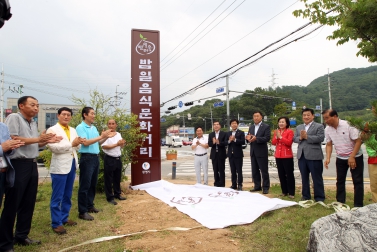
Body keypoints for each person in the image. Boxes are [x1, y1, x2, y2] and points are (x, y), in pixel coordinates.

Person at [0, 96, 61, 251]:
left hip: (31, 164)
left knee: (28, 202)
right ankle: (5, 242)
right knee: (13, 203)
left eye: (38, 105)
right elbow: (14, 138)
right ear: (21, 105)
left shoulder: (33, 122)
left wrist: (47, 140)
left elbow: (36, 143)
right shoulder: (14, 117)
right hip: (18, 164)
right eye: (32, 105)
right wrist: (37, 139)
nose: (36, 108)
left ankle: (21, 235)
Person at [47, 107, 84, 235]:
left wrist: (78, 142)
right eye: (63, 114)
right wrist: (72, 144)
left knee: (68, 194)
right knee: (57, 196)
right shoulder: (52, 130)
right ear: (58, 116)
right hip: (60, 167)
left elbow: (77, 147)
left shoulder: (72, 130)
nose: (66, 117)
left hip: (72, 164)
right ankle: (56, 223)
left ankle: (64, 217)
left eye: (68, 115)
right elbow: (53, 148)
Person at [75, 107, 115, 221]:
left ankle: (90, 205)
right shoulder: (81, 127)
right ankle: (82, 211)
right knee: (85, 185)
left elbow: (98, 142)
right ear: (85, 115)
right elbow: (86, 143)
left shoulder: (94, 127)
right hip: (87, 158)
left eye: (94, 113)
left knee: (93, 184)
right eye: (92, 113)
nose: (94, 115)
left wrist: (105, 137)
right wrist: (102, 136)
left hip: (95, 157)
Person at [322, 109, 364, 207]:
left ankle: (358, 205)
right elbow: (328, 144)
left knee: (357, 181)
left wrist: (352, 156)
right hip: (340, 157)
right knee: (340, 180)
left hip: (355, 156)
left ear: (335, 116)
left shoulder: (348, 125)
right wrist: (328, 158)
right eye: (324, 119)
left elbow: (358, 141)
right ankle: (340, 202)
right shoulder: (327, 129)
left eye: (327, 118)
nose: (326, 121)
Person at [294, 108, 325, 202]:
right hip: (302, 156)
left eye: (308, 115)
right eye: (304, 115)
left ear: (313, 116)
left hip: (314, 155)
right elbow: (294, 138)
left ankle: (319, 197)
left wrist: (307, 137)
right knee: (304, 177)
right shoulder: (299, 127)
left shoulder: (319, 126)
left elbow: (320, 138)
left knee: (317, 177)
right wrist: (300, 138)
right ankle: (306, 196)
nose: (306, 117)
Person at [101, 119, 126, 205]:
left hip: (117, 158)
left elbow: (121, 146)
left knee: (117, 177)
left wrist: (122, 143)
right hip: (109, 158)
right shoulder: (105, 135)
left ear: (116, 125)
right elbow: (104, 146)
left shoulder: (118, 134)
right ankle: (109, 197)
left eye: (113, 124)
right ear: (107, 125)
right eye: (109, 124)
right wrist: (116, 144)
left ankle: (117, 194)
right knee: (108, 179)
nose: (111, 125)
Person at [0, 123, 24, 209]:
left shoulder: (3, 126)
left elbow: (9, 151)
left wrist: (12, 146)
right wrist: (2, 148)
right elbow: (3, 148)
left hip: (3, 172)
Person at [246, 111, 271, 194]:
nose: (256, 118)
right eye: (254, 116)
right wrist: (248, 138)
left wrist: (257, 139)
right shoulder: (251, 127)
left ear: (261, 117)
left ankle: (266, 187)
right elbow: (250, 137)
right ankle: (257, 186)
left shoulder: (266, 126)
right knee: (255, 170)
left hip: (262, 151)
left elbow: (267, 138)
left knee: (264, 170)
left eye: (257, 116)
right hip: (253, 151)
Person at [271, 117, 295, 198]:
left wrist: (281, 137)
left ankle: (291, 192)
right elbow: (273, 143)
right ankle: (284, 191)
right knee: (281, 174)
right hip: (278, 155)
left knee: (289, 174)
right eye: (280, 122)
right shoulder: (276, 132)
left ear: (287, 123)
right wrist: (277, 137)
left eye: (283, 122)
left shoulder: (290, 131)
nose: (281, 123)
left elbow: (289, 143)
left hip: (287, 156)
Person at [227, 119, 245, 191]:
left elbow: (243, 142)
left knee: (239, 170)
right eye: (232, 123)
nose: (234, 124)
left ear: (237, 124)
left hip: (238, 155)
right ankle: (233, 184)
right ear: (230, 125)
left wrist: (235, 140)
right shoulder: (228, 133)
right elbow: (225, 142)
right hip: (231, 155)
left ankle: (240, 185)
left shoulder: (241, 133)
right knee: (233, 171)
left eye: (235, 123)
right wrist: (229, 141)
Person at [208, 121, 227, 187]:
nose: (216, 126)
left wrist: (219, 143)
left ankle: (222, 184)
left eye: (217, 124)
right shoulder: (211, 134)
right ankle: (216, 183)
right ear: (213, 126)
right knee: (215, 170)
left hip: (221, 154)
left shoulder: (224, 134)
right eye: (214, 125)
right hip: (214, 154)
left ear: (220, 126)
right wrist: (213, 143)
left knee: (221, 170)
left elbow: (226, 143)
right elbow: (209, 144)